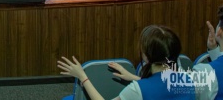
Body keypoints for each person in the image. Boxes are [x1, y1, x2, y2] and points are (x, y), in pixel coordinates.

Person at [58, 25, 195, 100]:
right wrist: (134, 78)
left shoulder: (137, 90)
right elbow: (161, 87)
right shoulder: (189, 80)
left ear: (147, 56)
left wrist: (82, 76)